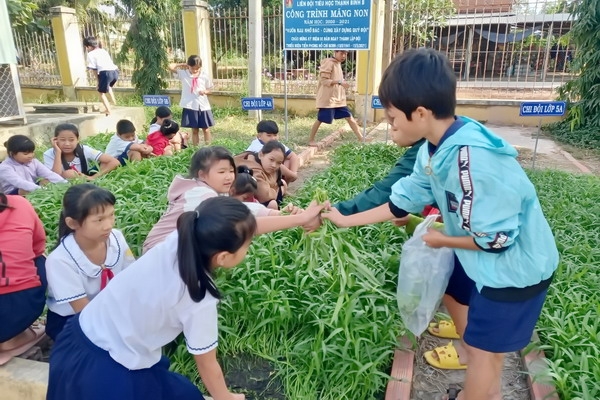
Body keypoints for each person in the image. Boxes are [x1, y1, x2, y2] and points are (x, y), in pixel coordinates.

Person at [322, 48, 558, 400]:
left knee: (485, 356)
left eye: (391, 118)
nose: (391, 126)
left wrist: (443, 239)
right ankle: (477, 381)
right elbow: (401, 200)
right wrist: (343, 220)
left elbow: (497, 239)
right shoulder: (434, 148)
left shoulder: (472, 161)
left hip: (513, 271)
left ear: (419, 112)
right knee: (476, 338)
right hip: (486, 263)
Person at [47, 196, 321, 400]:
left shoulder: (183, 237)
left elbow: (247, 228)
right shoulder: (198, 295)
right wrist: (225, 397)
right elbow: (206, 362)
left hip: (83, 338)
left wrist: (300, 219)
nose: (249, 244)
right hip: (106, 370)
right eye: (247, 245)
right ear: (224, 258)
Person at [143, 146, 313, 253]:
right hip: (160, 254)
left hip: (177, 250)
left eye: (231, 171)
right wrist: (298, 219)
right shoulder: (202, 194)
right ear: (202, 174)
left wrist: (279, 214)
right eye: (221, 172)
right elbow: (245, 223)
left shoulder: (210, 190)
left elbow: (246, 208)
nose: (229, 177)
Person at [45, 184, 136, 341]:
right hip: (73, 319)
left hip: (111, 309)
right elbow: (82, 310)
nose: (108, 225)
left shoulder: (116, 237)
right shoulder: (60, 260)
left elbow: (132, 277)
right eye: (99, 220)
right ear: (73, 223)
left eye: (112, 215)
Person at [0, 191, 47, 366]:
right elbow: (38, 246)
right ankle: (16, 337)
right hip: (22, 308)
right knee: (40, 258)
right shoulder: (20, 204)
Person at [308, 50, 363, 146]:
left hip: (338, 99)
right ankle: (311, 140)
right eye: (341, 53)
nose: (344, 56)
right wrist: (339, 82)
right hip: (328, 99)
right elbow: (324, 80)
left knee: (349, 117)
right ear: (335, 52)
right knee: (320, 119)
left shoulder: (337, 64)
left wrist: (341, 84)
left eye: (346, 54)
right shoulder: (329, 63)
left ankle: (361, 138)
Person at [44, 123, 121, 180]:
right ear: (55, 140)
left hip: (85, 178)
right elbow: (54, 176)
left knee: (105, 162)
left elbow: (115, 162)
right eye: (62, 140)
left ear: (78, 140)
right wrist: (58, 152)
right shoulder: (49, 154)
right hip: (62, 182)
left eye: (71, 140)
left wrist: (93, 177)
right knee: (45, 180)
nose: (67, 144)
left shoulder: (84, 149)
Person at [169, 55, 215, 145]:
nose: (195, 70)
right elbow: (170, 66)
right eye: (192, 68)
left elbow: (211, 89)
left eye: (197, 68)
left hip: (203, 105)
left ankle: (208, 147)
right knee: (194, 130)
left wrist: (205, 91)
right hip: (190, 105)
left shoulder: (204, 75)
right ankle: (195, 148)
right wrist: (182, 64)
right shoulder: (183, 73)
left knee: (206, 129)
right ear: (188, 66)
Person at [0, 135, 66, 195]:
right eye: (26, 154)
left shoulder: (33, 162)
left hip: (32, 187)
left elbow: (49, 174)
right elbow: (20, 183)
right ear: (12, 154)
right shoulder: (5, 168)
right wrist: (42, 190)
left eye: (32, 152)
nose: (30, 156)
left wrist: (66, 184)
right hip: (13, 194)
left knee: (48, 181)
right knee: (24, 190)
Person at [233, 141, 286, 210]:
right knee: (272, 204)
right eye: (271, 160)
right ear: (261, 155)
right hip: (245, 205)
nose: (274, 165)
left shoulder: (268, 166)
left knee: (283, 183)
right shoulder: (253, 169)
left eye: (279, 163)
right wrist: (276, 191)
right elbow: (264, 196)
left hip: (265, 195)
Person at [83, 36, 119, 116]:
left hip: (105, 73)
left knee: (100, 91)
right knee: (108, 86)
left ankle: (108, 110)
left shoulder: (90, 54)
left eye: (86, 47)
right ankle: (114, 102)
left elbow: (94, 69)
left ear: (88, 46)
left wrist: (98, 82)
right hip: (115, 71)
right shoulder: (103, 51)